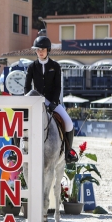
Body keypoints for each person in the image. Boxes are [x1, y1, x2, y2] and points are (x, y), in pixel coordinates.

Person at [24, 35, 78, 163]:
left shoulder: (55, 66)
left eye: (42, 49)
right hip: (35, 101)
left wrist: (53, 103)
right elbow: (26, 86)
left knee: (69, 123)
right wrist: (28, 100)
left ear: (48, 50)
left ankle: (68, 152)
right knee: (19, 122)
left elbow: (57, 87)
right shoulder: (32, 67)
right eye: (38, 50)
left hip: (51, 101)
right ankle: (14, 152)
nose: (40, 52)